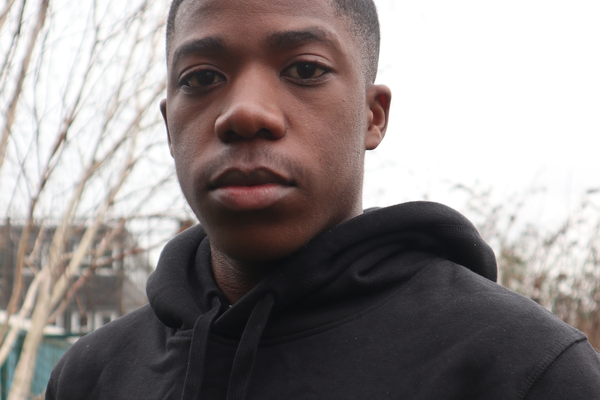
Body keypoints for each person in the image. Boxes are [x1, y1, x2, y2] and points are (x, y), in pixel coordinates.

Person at [46, 0, 600, 399]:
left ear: (372, 115)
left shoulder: (527, 370)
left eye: (305, 70)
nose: (244, 113)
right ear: (170, 126)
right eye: (202, 77)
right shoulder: (89, 377)